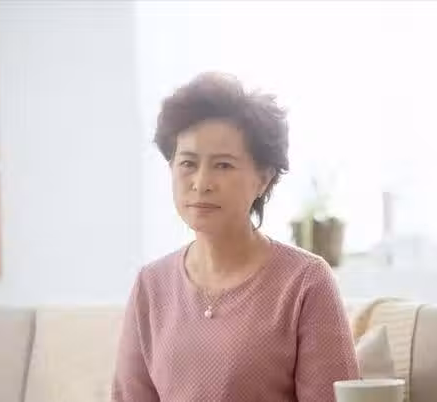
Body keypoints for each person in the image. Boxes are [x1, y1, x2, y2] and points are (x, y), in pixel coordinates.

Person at [112, 72, 359, 402]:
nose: (201, 183)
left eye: (223, 166)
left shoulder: (305, 282)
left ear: (263, 178)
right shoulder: (151, 285)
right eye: (188, 163)